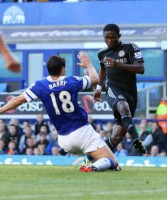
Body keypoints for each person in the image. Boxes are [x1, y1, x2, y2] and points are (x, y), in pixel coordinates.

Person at [0, 52, 119, 172]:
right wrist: (88, 64)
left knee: (94, 155)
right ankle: (93, 167)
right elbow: (95, 79)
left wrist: (1, 110)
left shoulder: (40, 85)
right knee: (114, 164)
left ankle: (89, 160)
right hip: (82, 132)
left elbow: (17, 100)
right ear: (62, 69)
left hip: (63, 140)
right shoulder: (71, 81)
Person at [93, 23, 147, 155]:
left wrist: (118, 64)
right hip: (113, 88)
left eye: (113, 37)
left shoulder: (130, 48)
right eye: (106, 38)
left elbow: (141, 69)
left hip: (130, 92)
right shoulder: (102, 53)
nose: (109, 41)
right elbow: (103, 70)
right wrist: (99, 88)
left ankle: (92, 158)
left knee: (116, 137)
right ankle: (136, 140)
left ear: (119, 36)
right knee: (122, 106)